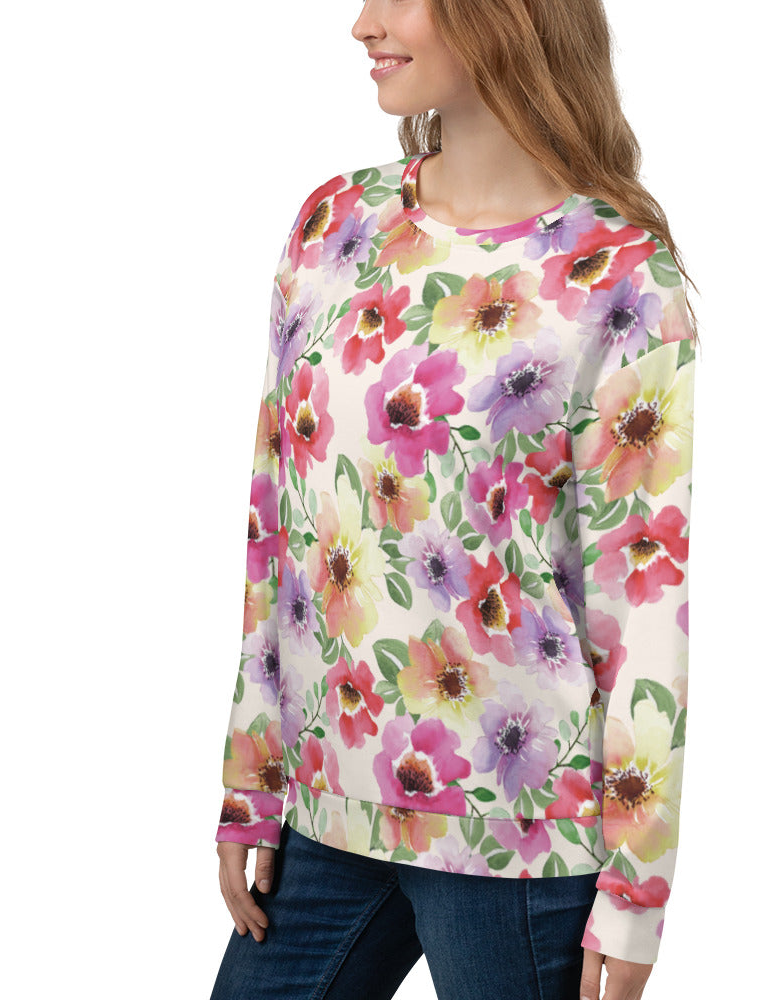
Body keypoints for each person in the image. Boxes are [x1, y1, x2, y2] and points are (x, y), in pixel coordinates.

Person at [211, 1, 698, 998]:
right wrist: (252, 775)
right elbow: (277, 519)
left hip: (519, 841)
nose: (362, 23)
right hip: (328, 812)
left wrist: (636, 893)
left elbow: (644, 605)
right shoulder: (335, 228)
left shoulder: (616, 276)